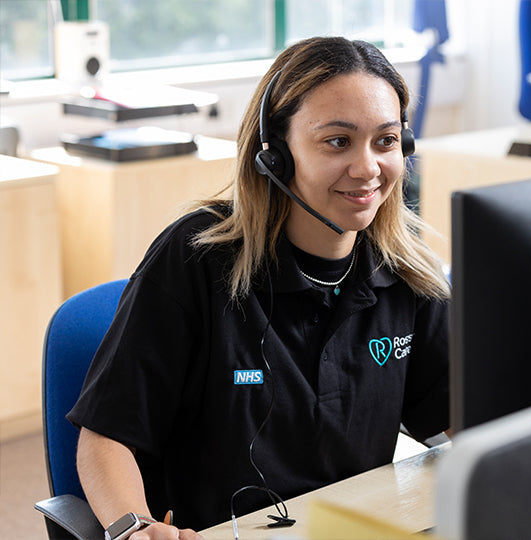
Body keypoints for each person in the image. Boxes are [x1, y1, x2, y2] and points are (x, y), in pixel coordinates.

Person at [68, 36, 451, 538]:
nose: (368, 168)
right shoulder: (195, 259)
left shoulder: (407, 275)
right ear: (275, 154)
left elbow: (471, 420)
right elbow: (104, 438)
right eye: (338, 141)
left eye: (386, 141)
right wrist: (134, 527)